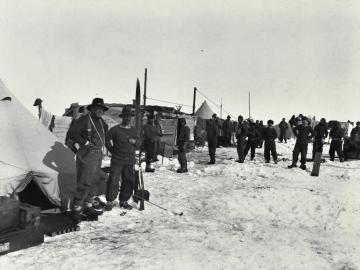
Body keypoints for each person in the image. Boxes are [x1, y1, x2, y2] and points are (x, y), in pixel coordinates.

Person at [67, 97, 109, 220]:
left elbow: (104, 136)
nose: (100, 111)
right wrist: (84, 142)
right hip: (87, 153)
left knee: (95, 180)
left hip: (98, 154)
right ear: (92, 109)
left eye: (102, 109)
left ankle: (88, 205)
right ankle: (77, 209)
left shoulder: (103, 123)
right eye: (97, 108)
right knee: (85, 181)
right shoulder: (84, 120)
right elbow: (71, 133)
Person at [104, 106, 138, 211]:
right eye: (125, 116)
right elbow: (106, 140)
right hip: (117, 160)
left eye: (129, 117)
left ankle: (123, 201)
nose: (127, 118)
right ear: (122, 117)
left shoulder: (134, 130)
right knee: (113, 180)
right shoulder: (115, 129)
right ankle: (110, 201)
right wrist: (113, 150)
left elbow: (140, 143)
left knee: (128, 181)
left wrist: (135, 142)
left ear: (131, 118)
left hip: (130, 160)